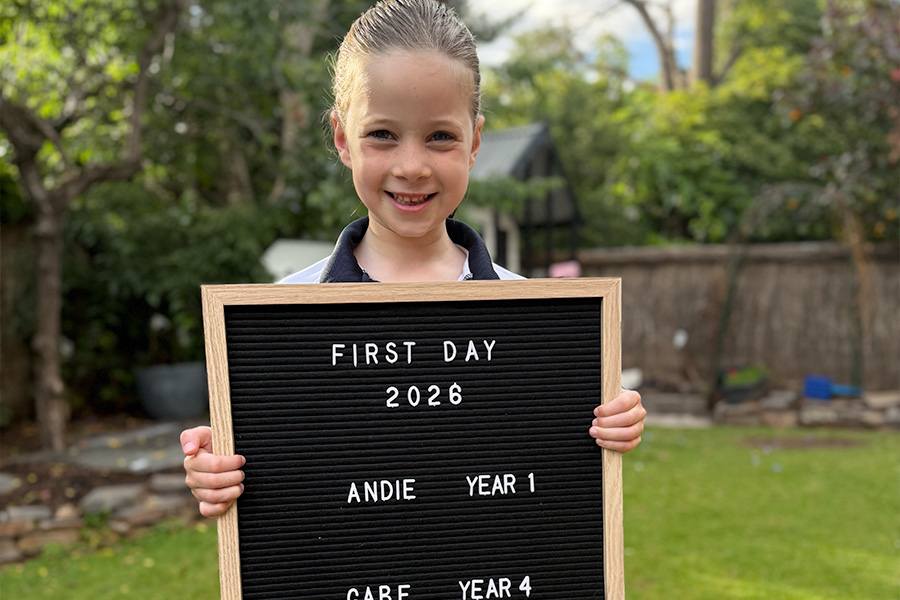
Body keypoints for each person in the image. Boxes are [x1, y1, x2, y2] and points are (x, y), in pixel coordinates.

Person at [181, 0, 646, 518]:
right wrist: (218, 468)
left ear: (474, 143)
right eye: (382, 134)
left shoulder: (536, 318)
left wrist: (613, 422)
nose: (412, 166)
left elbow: (557, 461)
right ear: (342, 139)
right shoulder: (280, 321)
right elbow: (275, 464)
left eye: (440, 137)